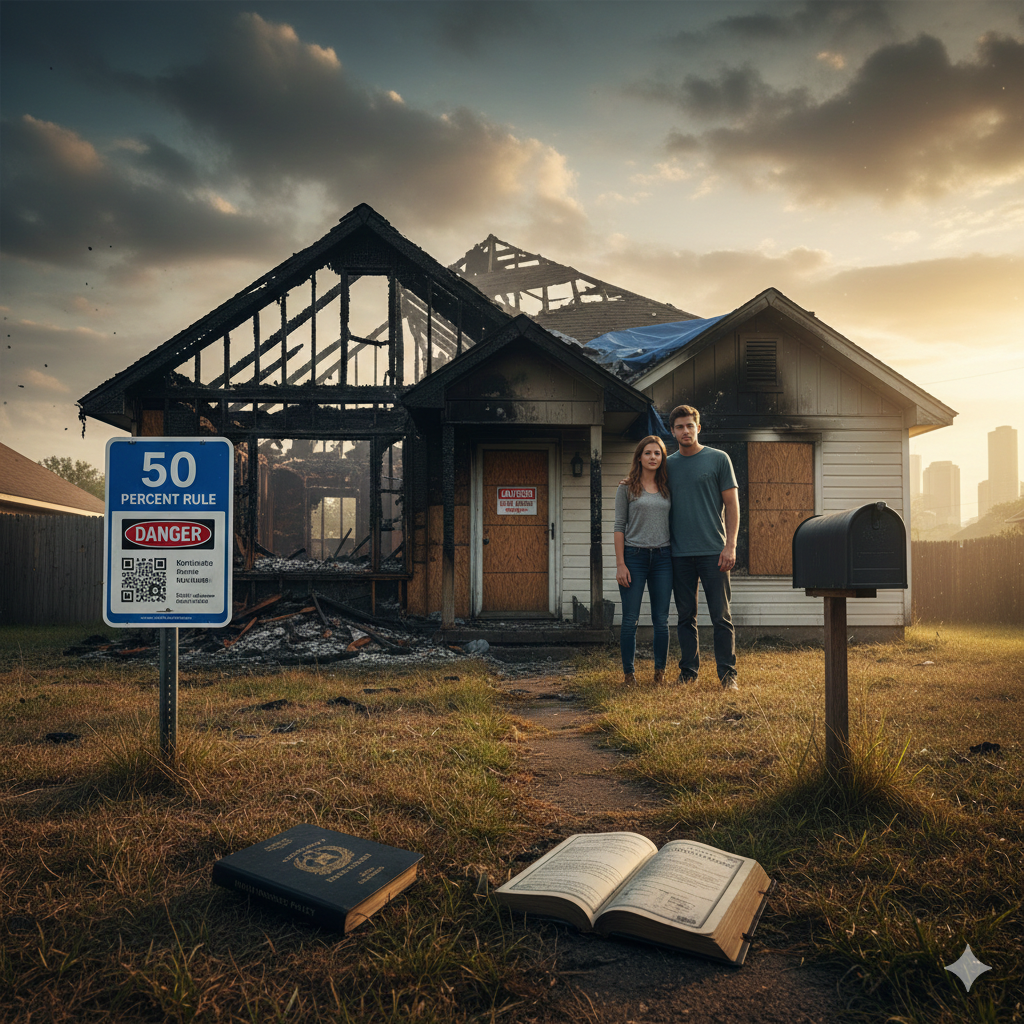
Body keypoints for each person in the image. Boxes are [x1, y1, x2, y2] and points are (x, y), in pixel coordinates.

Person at [666, 404, 740, 691]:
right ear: (672, 431)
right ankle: (688, 672)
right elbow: (645, 484)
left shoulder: (719, 459)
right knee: (685, 617)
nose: (685, 431)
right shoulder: (667, 464)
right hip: (678, 553)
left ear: (699, 428)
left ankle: (728, 675)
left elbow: (732, 506)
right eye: (680, 426)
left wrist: (730, 546)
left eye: (690, 425)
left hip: (714, 551)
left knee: (721, 616)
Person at [613, 435, 673, 687]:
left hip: (663, 558)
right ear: (639, 456)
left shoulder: (668, 487)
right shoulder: (626, 488)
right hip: (634, 558)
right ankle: (629, 675)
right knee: (630, 620)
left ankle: (659, 675)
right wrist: (620, 564)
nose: (653, 457)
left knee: (661, 620)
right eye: (648, 453)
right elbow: (618, 526)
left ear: (662, 458)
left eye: (657, 453)